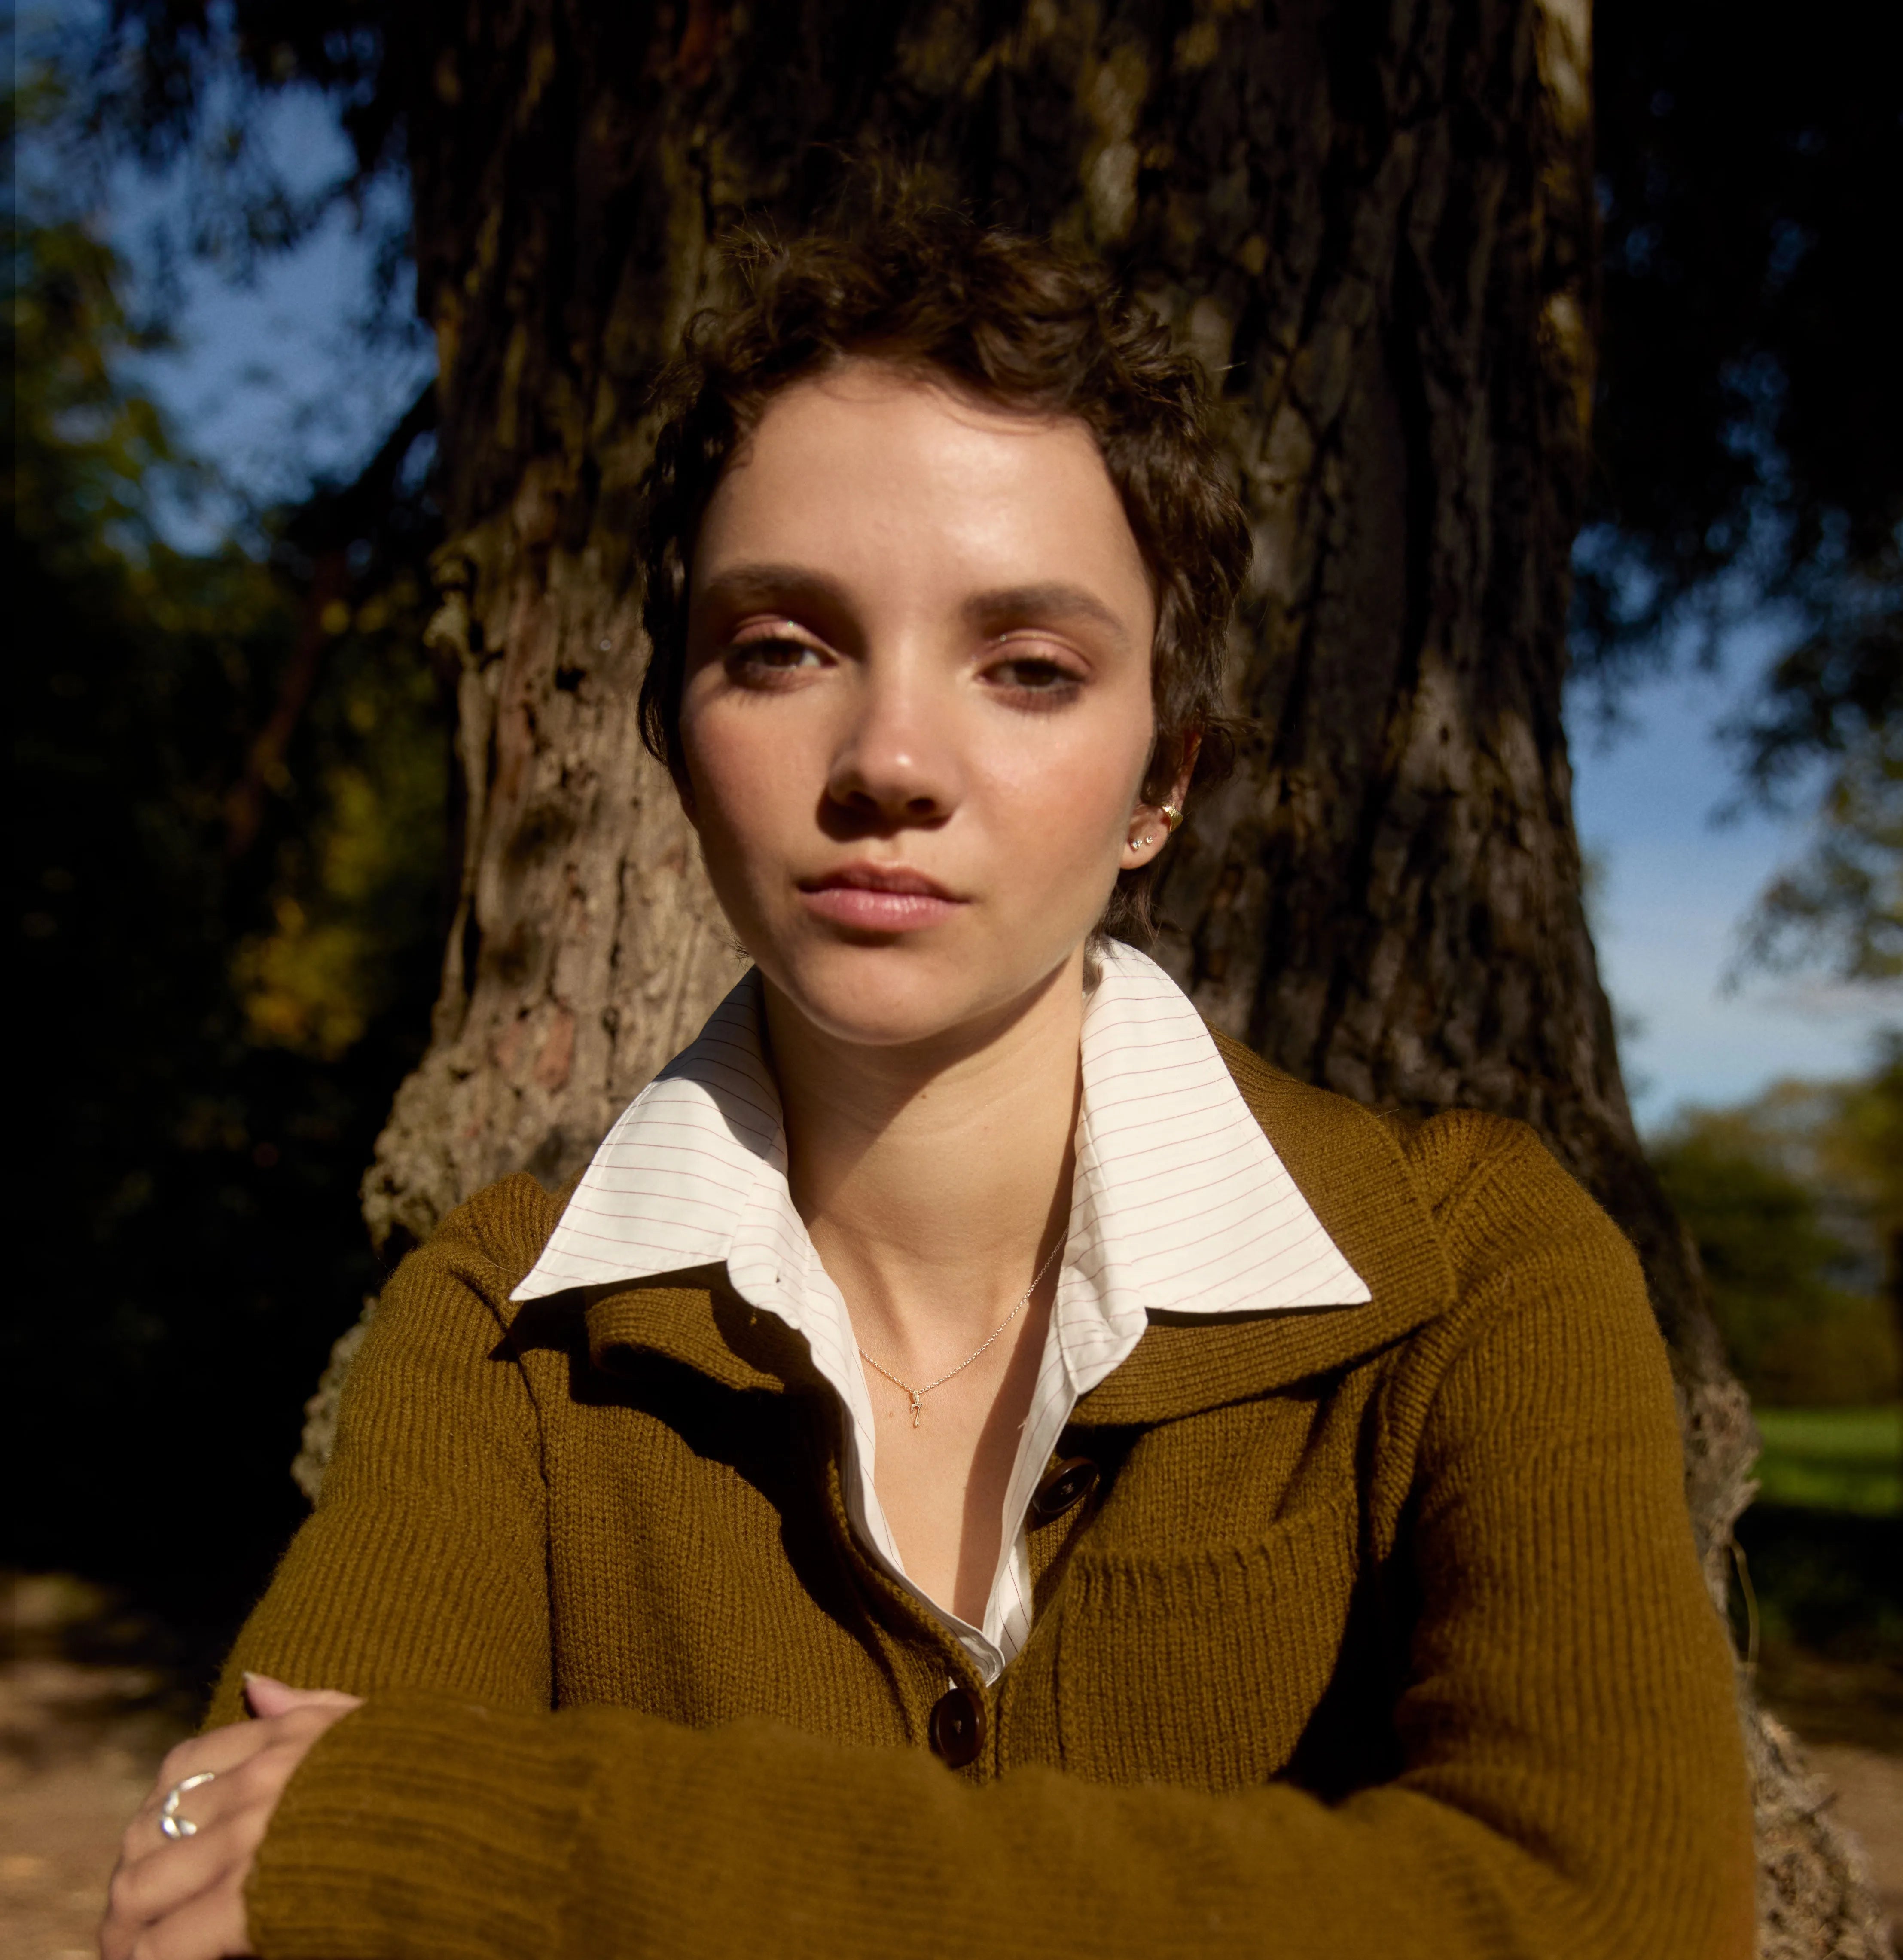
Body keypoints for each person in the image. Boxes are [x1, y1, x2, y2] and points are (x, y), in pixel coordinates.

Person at [104, 194, 1755, 1960]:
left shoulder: (1474, 1276)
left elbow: (1608, 1919)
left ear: (1157, 784)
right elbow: (246, 1906)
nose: (889, 757)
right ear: (675, 738)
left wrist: (510, 1838)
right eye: (782, 650)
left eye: (1029, 669)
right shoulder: (506, 1333)